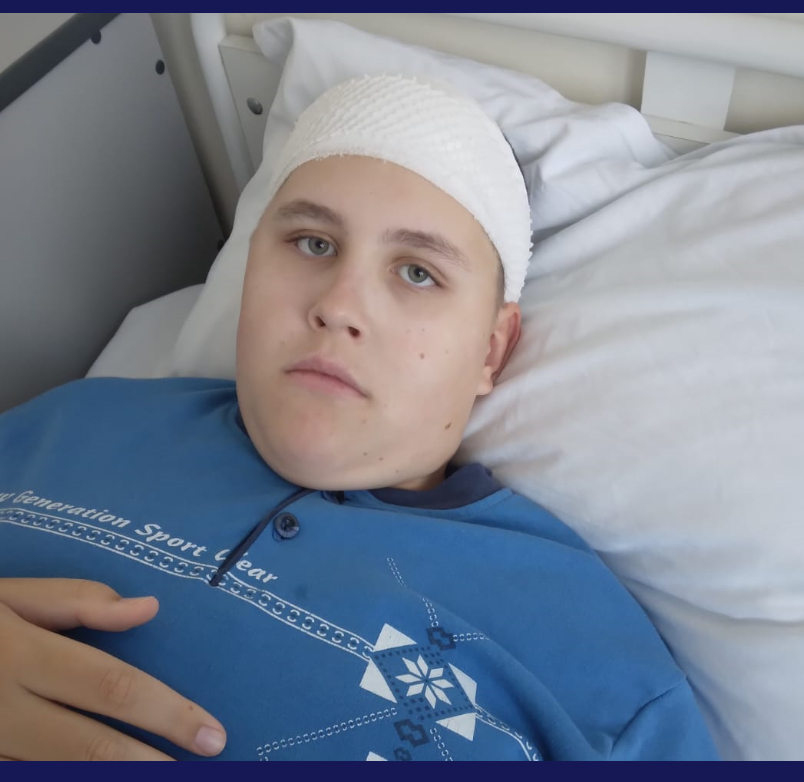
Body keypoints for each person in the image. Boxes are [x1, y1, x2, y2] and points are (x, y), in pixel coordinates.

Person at [0, 75, 719, 761]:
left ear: (490, 350)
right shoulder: (68, 422)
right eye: (313, 243)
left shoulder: (593, 657)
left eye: (417, 272)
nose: (338, 306)